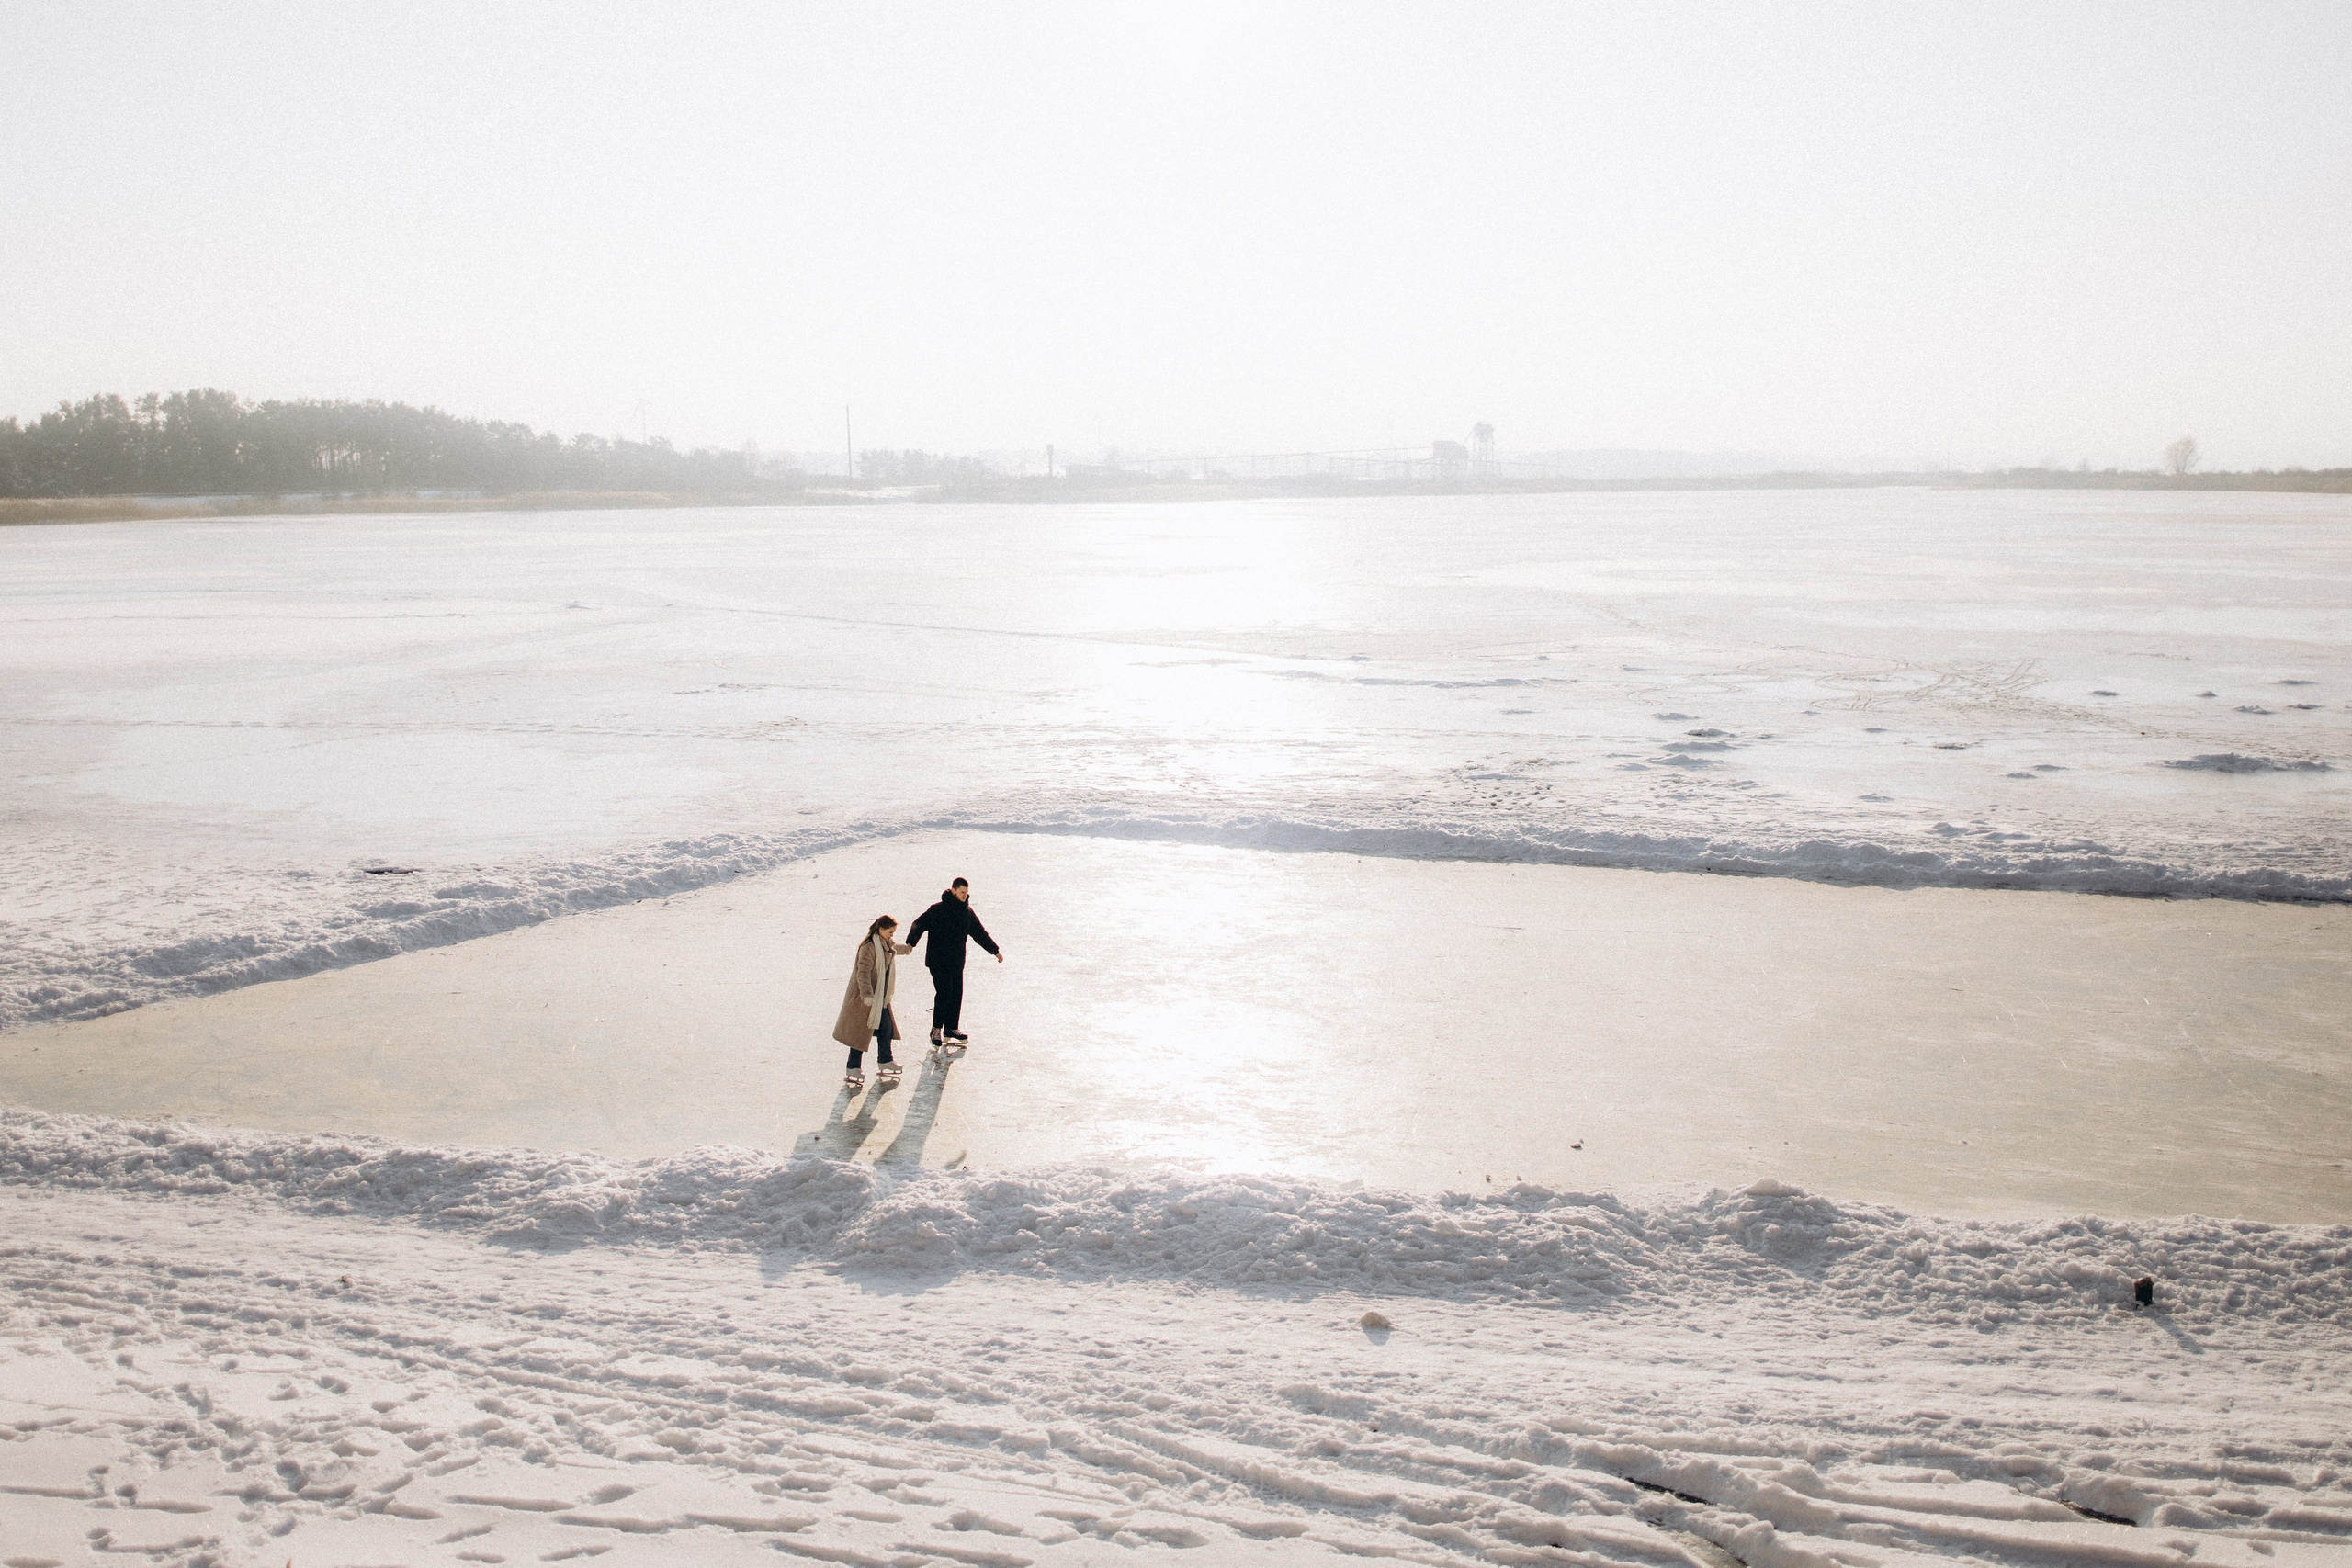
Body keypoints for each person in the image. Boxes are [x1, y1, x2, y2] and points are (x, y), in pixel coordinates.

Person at [905, 877, 1001, 1048]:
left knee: (956, 994)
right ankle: (936, 1029)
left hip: (956, 962)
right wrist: (911, 943)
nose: (965, 895)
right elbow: (918, 924)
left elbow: (980, 934)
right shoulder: (937, 909)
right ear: (954, 890)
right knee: (944, 993)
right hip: (937, 960)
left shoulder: (967, 912)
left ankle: (951, 1028)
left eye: (967, 892)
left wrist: (995, 951)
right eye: (962, 892)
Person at [831, 915, 913, 1089]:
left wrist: (908, 948)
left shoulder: (885, 943)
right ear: (881, 929)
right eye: (890, 932)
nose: (892, 936)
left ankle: (885, 1060)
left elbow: (894, 948)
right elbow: (863, 973)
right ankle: (853, 1067)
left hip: (879, 997)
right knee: (860, 1034)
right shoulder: (868, 947)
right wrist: (867, 995)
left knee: (886, 1028)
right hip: (864, 999)